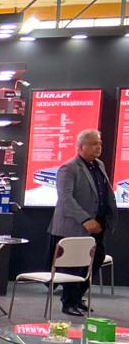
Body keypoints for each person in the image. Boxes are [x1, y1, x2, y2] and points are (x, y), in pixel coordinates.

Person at [48, 128, 115, 317]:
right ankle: (68, 302)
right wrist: (85, 219)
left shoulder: (99, 165)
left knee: (96, 259)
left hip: (97, 224)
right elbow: (65, 199)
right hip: (74, 225)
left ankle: (77, 298)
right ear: (81, 146)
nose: (98, 147)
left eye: (99, 143)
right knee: (73, 264)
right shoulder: (68, 168)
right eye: (94, 144)